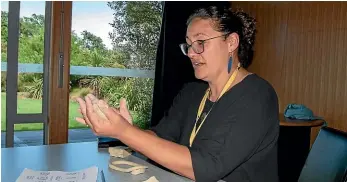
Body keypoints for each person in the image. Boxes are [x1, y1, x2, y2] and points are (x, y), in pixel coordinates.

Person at [76, 5, 280, 182]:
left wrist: (124, 132)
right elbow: (159, 137)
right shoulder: (192, 92)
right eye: (189, 45)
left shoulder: (257, 96)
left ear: (231, 43)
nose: (191, 53)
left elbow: (206, 167)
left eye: (200, 42)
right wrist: (126, 128)